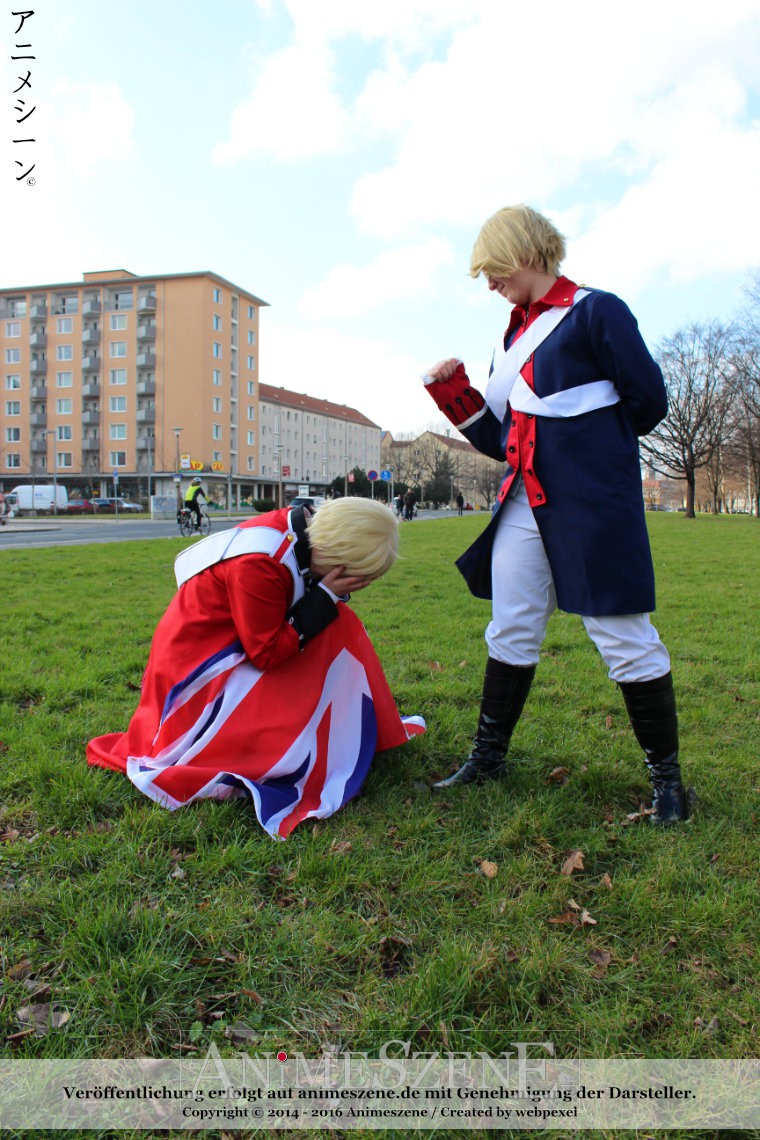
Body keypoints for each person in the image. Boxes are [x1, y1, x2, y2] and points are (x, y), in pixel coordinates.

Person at [422, 204, 689, 824]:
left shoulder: (597, 311)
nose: (489, 284)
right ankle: (487, 759)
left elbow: (648, 403)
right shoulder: (509, 338)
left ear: (526, 251)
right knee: (511, 628)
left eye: (493, 269)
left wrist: (588, 457)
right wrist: (452, 391)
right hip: (523, 501)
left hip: (592, 505)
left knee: (623, 636)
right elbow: (499, 438)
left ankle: (669, 786)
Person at [87, 498, 424, 838]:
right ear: (341, 564)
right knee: (335, 628)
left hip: (220, 650)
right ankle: (308, 743)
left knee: (340, 627)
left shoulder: (294, 533)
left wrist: (325, 598)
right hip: (196, 674)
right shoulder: (260, 563)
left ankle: (345, 735)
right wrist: (324, 598)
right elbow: (266, 653)